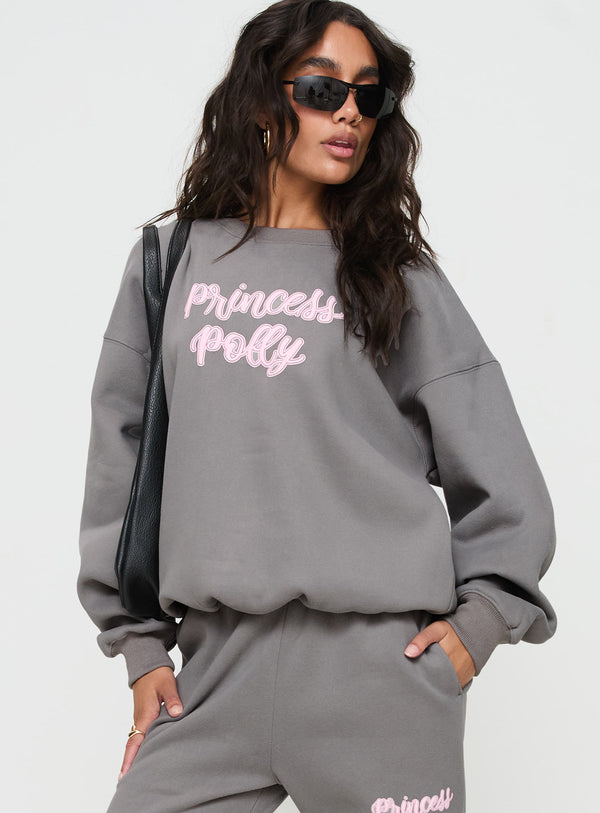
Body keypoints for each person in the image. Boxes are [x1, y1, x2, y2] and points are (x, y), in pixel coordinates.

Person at [76, 1, 558, 811]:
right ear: (263, 100)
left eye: (368, 95)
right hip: (211, 677)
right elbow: (117, 465)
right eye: (322, 89)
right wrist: (140, 649)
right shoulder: (170, 262)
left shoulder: (397, 278)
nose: (349, 114)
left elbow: (504, 476)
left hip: (382, 683)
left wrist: (475, 632)